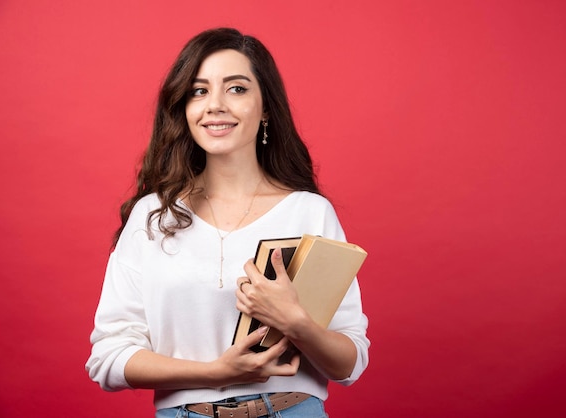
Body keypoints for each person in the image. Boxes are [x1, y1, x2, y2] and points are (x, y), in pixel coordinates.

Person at [86, 27, 369, 418]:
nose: (214, 104)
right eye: (199, 91)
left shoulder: (309, 212)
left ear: (266, 106)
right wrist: (217, 373)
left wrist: (295, 322)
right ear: (183, 108)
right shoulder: (152, 215)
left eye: (236, 88)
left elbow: (349, 364)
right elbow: (108, 358)